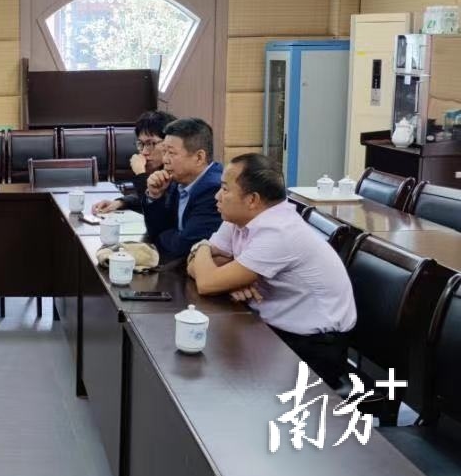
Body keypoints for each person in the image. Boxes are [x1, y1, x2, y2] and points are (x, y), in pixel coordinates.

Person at [188, 153, 356, 388]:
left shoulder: (279, 232)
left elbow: (205, 281)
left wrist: (201, 247)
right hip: (271, 328)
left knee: (215, 376)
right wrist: (226, 278)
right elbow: (195, 268)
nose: (217, 196)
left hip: (312, 348)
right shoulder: (238, 218)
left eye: (225, 189)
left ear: (252, 199)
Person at [142, 117, 223, 262]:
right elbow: (155, 232)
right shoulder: (177, 180)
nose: (165, 160)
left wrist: (164, 234)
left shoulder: (215, 190)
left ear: (199, 157)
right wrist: (155, 195)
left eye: (171, 153)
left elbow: (184, 246)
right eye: (164, 152)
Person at [93, 110, 176, 214]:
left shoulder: (178, 174)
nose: (144, 152)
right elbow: (153, 197)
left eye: (150, 143)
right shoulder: (160, 170)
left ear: (169, 142)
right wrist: (122, 202)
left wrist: (140, 173)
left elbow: (155, 211)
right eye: (141, 144)